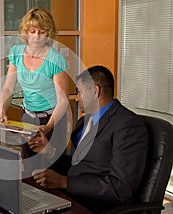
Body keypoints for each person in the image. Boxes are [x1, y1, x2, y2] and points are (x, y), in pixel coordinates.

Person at [28, 65, 149, 212]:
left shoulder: (128, 126)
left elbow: (120, 188)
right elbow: (79, 166)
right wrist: (50, 152)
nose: (77, 98)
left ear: (95, 91)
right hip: (74, 196)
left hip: (97, 206)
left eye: (79, 91)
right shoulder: (84, 123)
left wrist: (64, 182)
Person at [0, 7, 69, 161]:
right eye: (32, 31)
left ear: (48, 33)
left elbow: (63, 101)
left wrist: (47, 127)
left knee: (52, 166)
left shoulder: (55, 60)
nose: (37, 36)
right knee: (29, 164)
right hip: (28, 117)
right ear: (26, 31)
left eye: (42, 32)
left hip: (52, 119)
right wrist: (2, 110)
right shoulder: (16, 53)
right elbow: (9, 87)